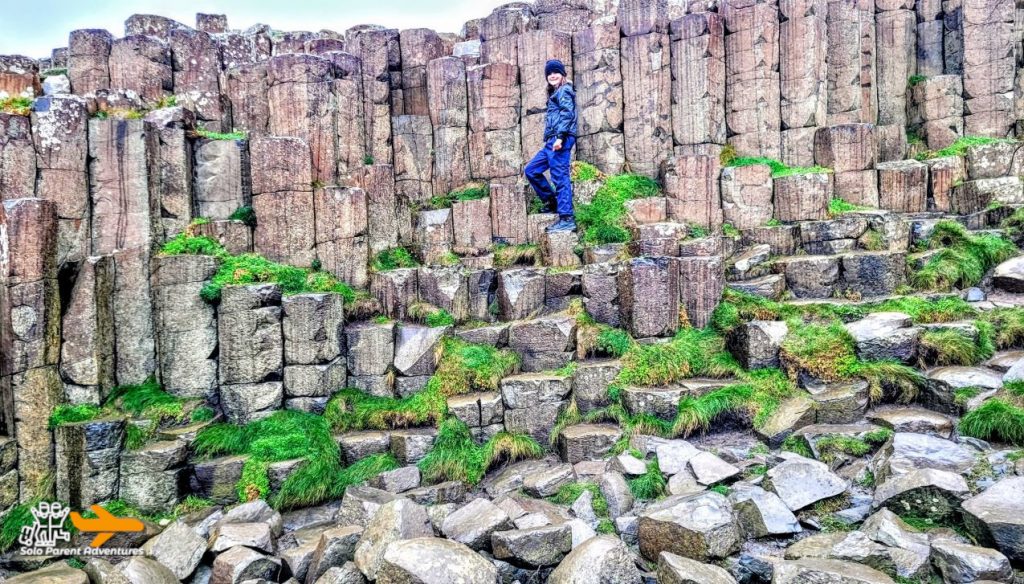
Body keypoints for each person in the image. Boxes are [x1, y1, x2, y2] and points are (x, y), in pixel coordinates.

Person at [524, 59, 578, 233]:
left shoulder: (564, 91)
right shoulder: (556, 92)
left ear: (562, 74)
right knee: (531, 170)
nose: (552, 75)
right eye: (549, 73)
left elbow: (567, 114)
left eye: (556, 72)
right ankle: (552, 201)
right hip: (551, 141)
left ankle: (567, 218)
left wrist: (560, 138)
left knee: (560, 178)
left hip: (559, 140)